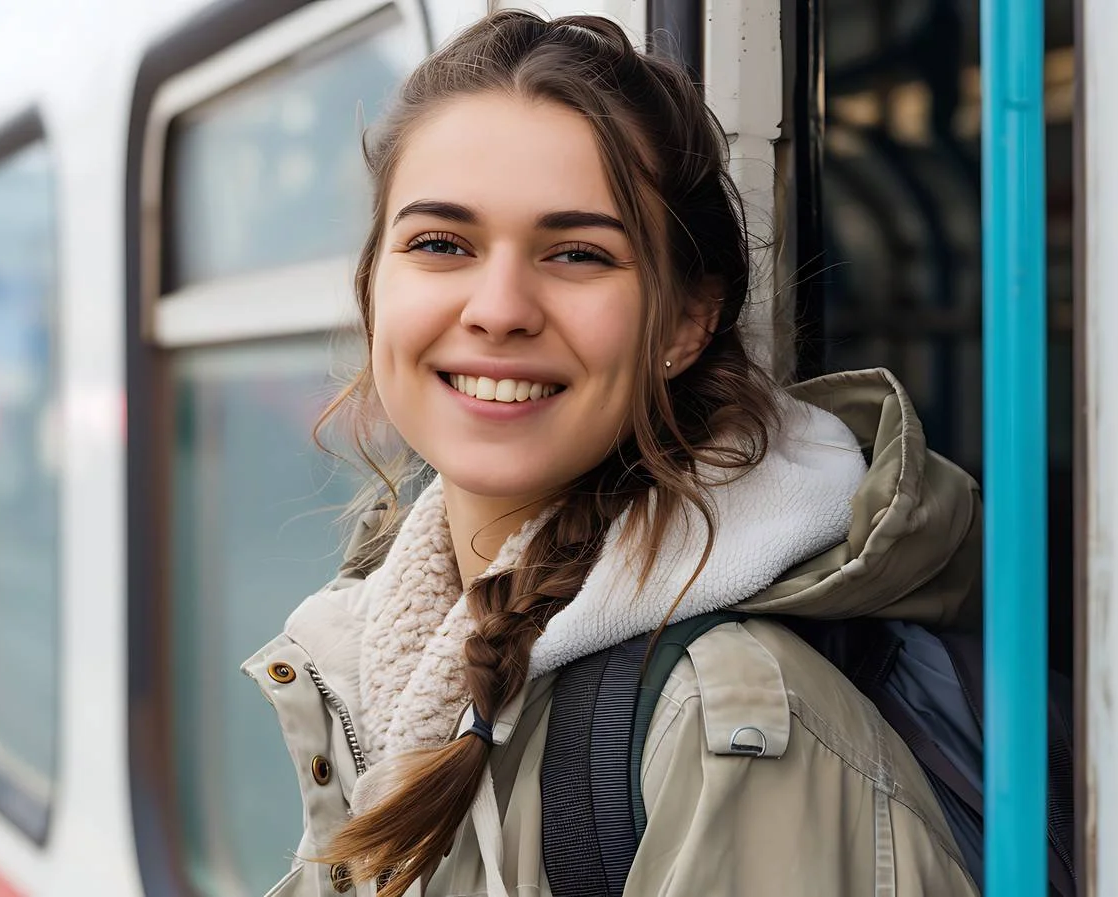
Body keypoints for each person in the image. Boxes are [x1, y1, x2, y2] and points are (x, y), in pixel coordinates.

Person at [242, 10, 981, 896]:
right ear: (374, 287)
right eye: (441, 244)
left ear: (684, 322)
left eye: (577, 254)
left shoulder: (726, 719)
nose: (499, 307)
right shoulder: (378, 633)